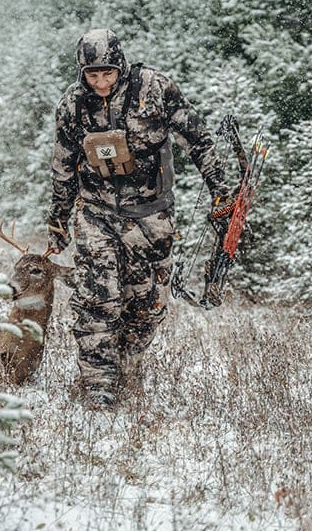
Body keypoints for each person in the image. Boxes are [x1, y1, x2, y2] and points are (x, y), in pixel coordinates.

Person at [47, 28, 228, 408]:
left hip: (151, 214)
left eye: (108, 74)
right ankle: (98, 385)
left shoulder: (155, 89)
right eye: (93, 76)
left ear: (121, 65)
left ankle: (128, 367)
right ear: (83, 73)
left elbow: (197, 138)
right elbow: (63, 167)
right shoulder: (72, 106)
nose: (101, 83)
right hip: (96, 211)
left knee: (146, 304)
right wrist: (58, 220)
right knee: (98, 298)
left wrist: (220, 189)